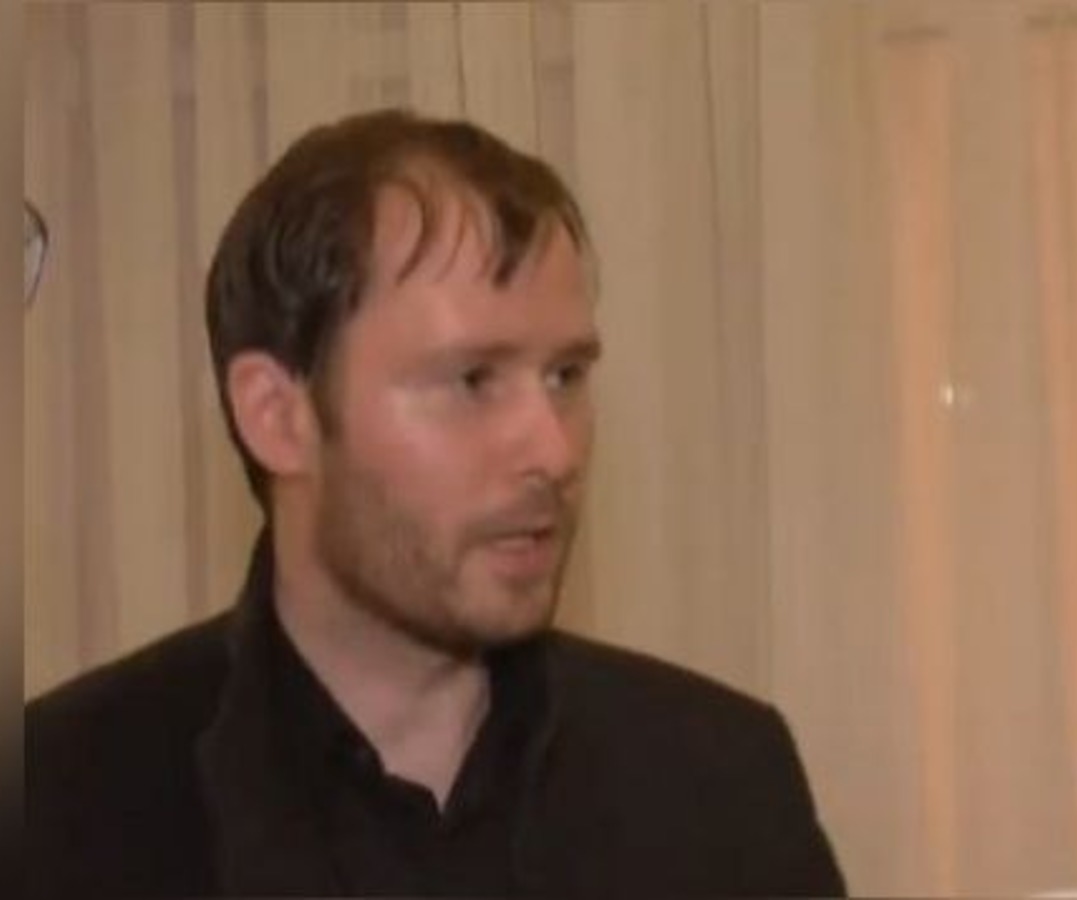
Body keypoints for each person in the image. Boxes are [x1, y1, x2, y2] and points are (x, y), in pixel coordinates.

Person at [25, 108, 846, 897]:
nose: (554, 451)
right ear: (278, 417)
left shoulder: (724, 785)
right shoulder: (55, 805)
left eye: (565, 376)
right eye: (473, 380)